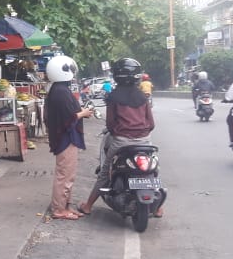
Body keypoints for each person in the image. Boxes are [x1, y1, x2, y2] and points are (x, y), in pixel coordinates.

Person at [78, 58, 159, 217]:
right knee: (154, 169)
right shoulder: (143, 97)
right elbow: (151, 123)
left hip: (122, 142)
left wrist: (120, 133)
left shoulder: (113, 97)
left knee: (105, 172)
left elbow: (110, 124)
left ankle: (87, 206)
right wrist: (141, 133)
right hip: (145, 141)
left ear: (116, 75)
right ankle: (158, 208)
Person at [44, 55, 92, 220]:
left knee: (68, 174)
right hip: (65, 138)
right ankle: (58, 209)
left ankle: (66, 205)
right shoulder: (60, 92)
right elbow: (67, 118)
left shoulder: (60, 90)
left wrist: (81, 113)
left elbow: (69, 115)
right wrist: (83, 113)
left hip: (68, 137)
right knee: (64, 174)